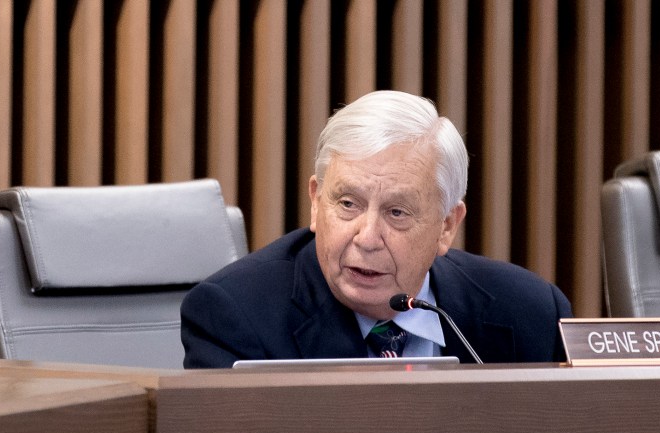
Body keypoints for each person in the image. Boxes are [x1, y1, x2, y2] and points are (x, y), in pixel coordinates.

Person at [181, 90, 572, 368]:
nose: (366, 238)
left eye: (397, 213)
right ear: (316, 203)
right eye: (348, 204)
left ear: (446, 226)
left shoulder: (530, 313)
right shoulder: (236, 317)